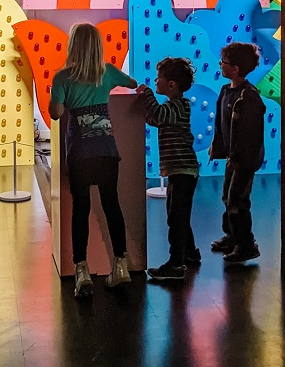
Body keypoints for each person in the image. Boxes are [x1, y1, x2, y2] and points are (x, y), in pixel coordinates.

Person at [49, 23, 137, 298]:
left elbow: (55, 113)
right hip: (107, 151)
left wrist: (62, 99)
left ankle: (81, 270)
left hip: (80, 152)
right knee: (112, 205)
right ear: (98, 46)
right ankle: (120, 265)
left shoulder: (63, 78)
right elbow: (132, 84)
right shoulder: (107, 72)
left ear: (73, 45)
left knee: (81, 209)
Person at [136, 57, 200, 280]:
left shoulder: (178, 106)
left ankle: (176, 265)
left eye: (158, 78)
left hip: (184, 171)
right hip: (179, 171)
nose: (155, 81)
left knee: (176, 218)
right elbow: (155, 119)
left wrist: (147, 95)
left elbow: (160, 115)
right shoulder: (173, 107)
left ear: (171, 84)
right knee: (179, 216)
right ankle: (191, 254)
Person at [209, 42, 266, 265]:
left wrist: (237, 158)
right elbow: (221, 124)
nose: (220, 66)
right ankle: (233, 235)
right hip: (233, 157)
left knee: (237, 199)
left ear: (235, 68)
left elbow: (249, 135)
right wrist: (219, 146)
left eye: (223, 63)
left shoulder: (248, 97)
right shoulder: (227, 91)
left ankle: (246, 244)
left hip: (243, 159)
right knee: (228, 195)